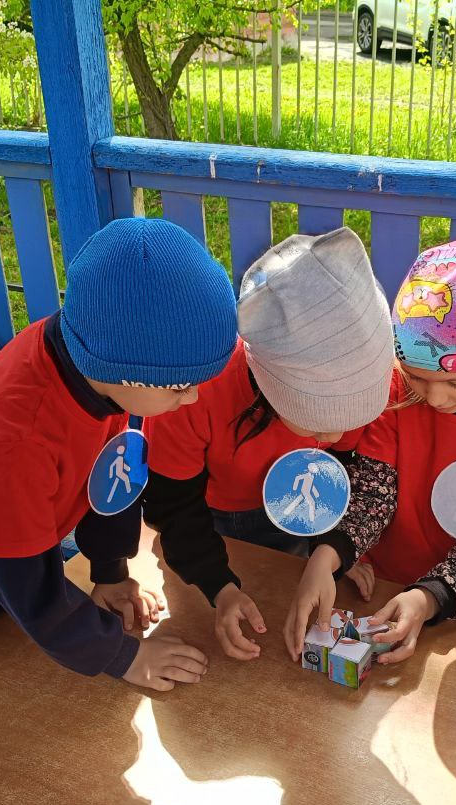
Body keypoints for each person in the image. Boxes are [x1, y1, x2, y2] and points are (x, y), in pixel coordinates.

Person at [0, 218, 237, 692]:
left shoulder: (91, 358)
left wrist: (110, 571)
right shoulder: (14, 439)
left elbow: (111, 474)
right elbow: (28, 585)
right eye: (179, 386)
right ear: (120, 367)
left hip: (9, 557)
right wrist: (125, 655)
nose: (192, 398)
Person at [283, 231, 456, 667]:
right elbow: (372, 494)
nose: (433, 398)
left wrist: (428, 597)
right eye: (416, 376)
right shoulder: (397, 391)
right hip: (375, 588)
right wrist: (327, 555)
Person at [142, 227, 394, 660]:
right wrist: (219, 587)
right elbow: (173, 508)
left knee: (284, 604)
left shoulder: (349, 385)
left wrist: (333, 551)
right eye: (318, 423)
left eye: (350, 420)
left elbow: (340, 477)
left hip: (295, 518)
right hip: (206, 524)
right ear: (274, 387)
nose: (335, 438)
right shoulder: (190, 394)